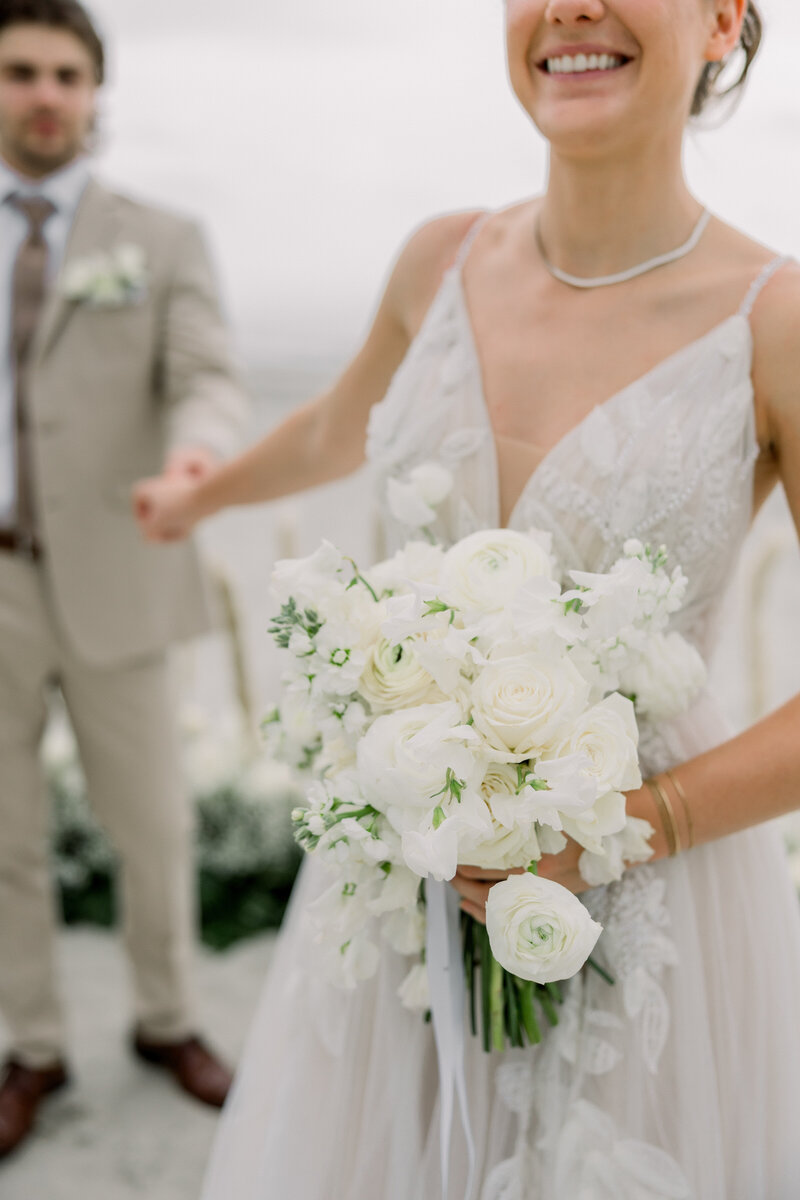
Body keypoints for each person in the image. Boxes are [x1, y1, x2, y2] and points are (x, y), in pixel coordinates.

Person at [135, 1, 800, 1195]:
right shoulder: (435, 260)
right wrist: (200, 494)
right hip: (400, 869)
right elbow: (333, 427)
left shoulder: (776, 321)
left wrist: (627, 828)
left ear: (719, 22)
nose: (568, 8)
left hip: (645, 898)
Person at [0, 0, 250, 1160]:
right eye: (19, 71)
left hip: (120, 568)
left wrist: (195, 458)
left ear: (95, 92)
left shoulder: (161, 237)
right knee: (4, 837)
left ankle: (166, 1021)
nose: (45, 93)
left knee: (150, 826)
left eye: (66, 73)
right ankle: (33, 1045)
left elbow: (205, 372)